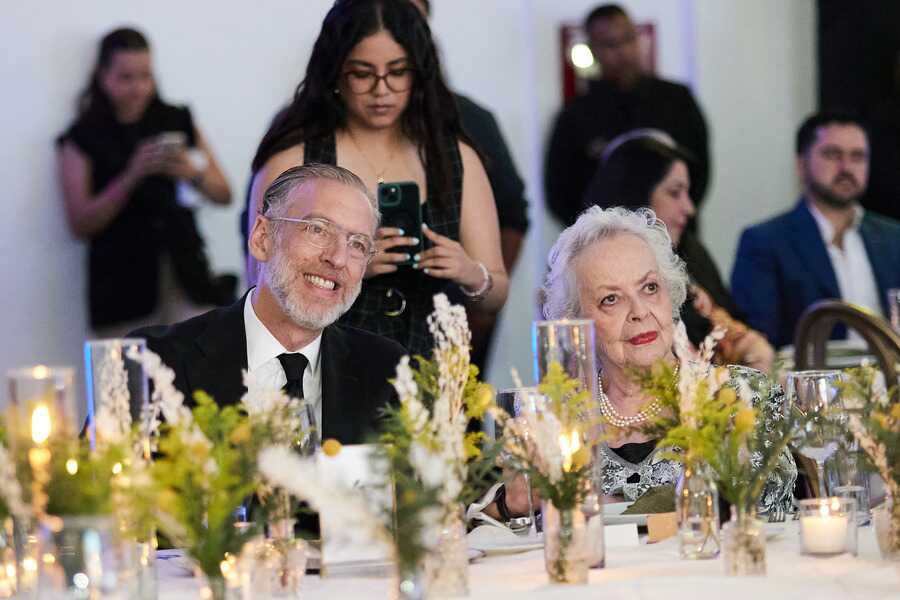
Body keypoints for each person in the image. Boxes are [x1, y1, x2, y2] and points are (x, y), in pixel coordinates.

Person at [473, 208, 796, 525]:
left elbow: (776, 525)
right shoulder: (550, 419)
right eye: (611, 299)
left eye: (650, 288)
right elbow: (486, 542)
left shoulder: (741, 397)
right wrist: (511, 503)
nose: (640, 311)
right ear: (575, 321)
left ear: (670, 295)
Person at [246, 0, 508, 358]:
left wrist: (469, 272)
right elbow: (259, 288)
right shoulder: (293, 158)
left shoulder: (454, 158)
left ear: (419, 74)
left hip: (431, 371)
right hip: (323, 366)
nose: (381, 90)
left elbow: (496, 291)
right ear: (335, 73)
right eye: (363, 73)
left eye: (398, 72)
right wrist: (348, 266)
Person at [135, 164, 406, 444]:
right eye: (317, 229)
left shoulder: (387, 370)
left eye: (358, 244)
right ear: (262, 238)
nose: (338, 258)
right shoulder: (156, 362)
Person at [58, 27, 234, 336]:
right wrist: (131, 175)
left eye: (145, 76)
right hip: (120, 287)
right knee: (125, 381)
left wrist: (191, 172)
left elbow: (224, 194)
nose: (138, 88)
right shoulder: (83, 136)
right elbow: (80, 224)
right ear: (103, 76)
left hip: (186, 274)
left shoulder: (176, 118)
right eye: (126, 77)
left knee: (200, 375)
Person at [584, 130, 774, 372]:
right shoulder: (591, 267)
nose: (689, 208)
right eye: (675, 193)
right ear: (635, 195)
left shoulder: (690, 250)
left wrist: (751, 352)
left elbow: (736, 332)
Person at [410, 0, 530, 374]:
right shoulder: (313, 130)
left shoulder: (470, 121)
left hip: (455, 310)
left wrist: (481, 294)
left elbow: (513, 215)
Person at [731, 111, 900, 349]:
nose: (846, 167)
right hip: (806, 382)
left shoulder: (893, 238)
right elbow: (757, 344)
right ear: (801, 164)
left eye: (858, 157)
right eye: (833, 154)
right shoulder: (765, 242)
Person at [544, 3, 710, 228]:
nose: (623, 51)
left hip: (675, 238)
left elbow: (699, 170)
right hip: (605, 244)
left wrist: (672, 217)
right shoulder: (575, 117)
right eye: (610, 44)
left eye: (629, 39)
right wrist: (599, 232)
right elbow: (560, 194)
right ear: (593, 50)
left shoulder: (677, 100)